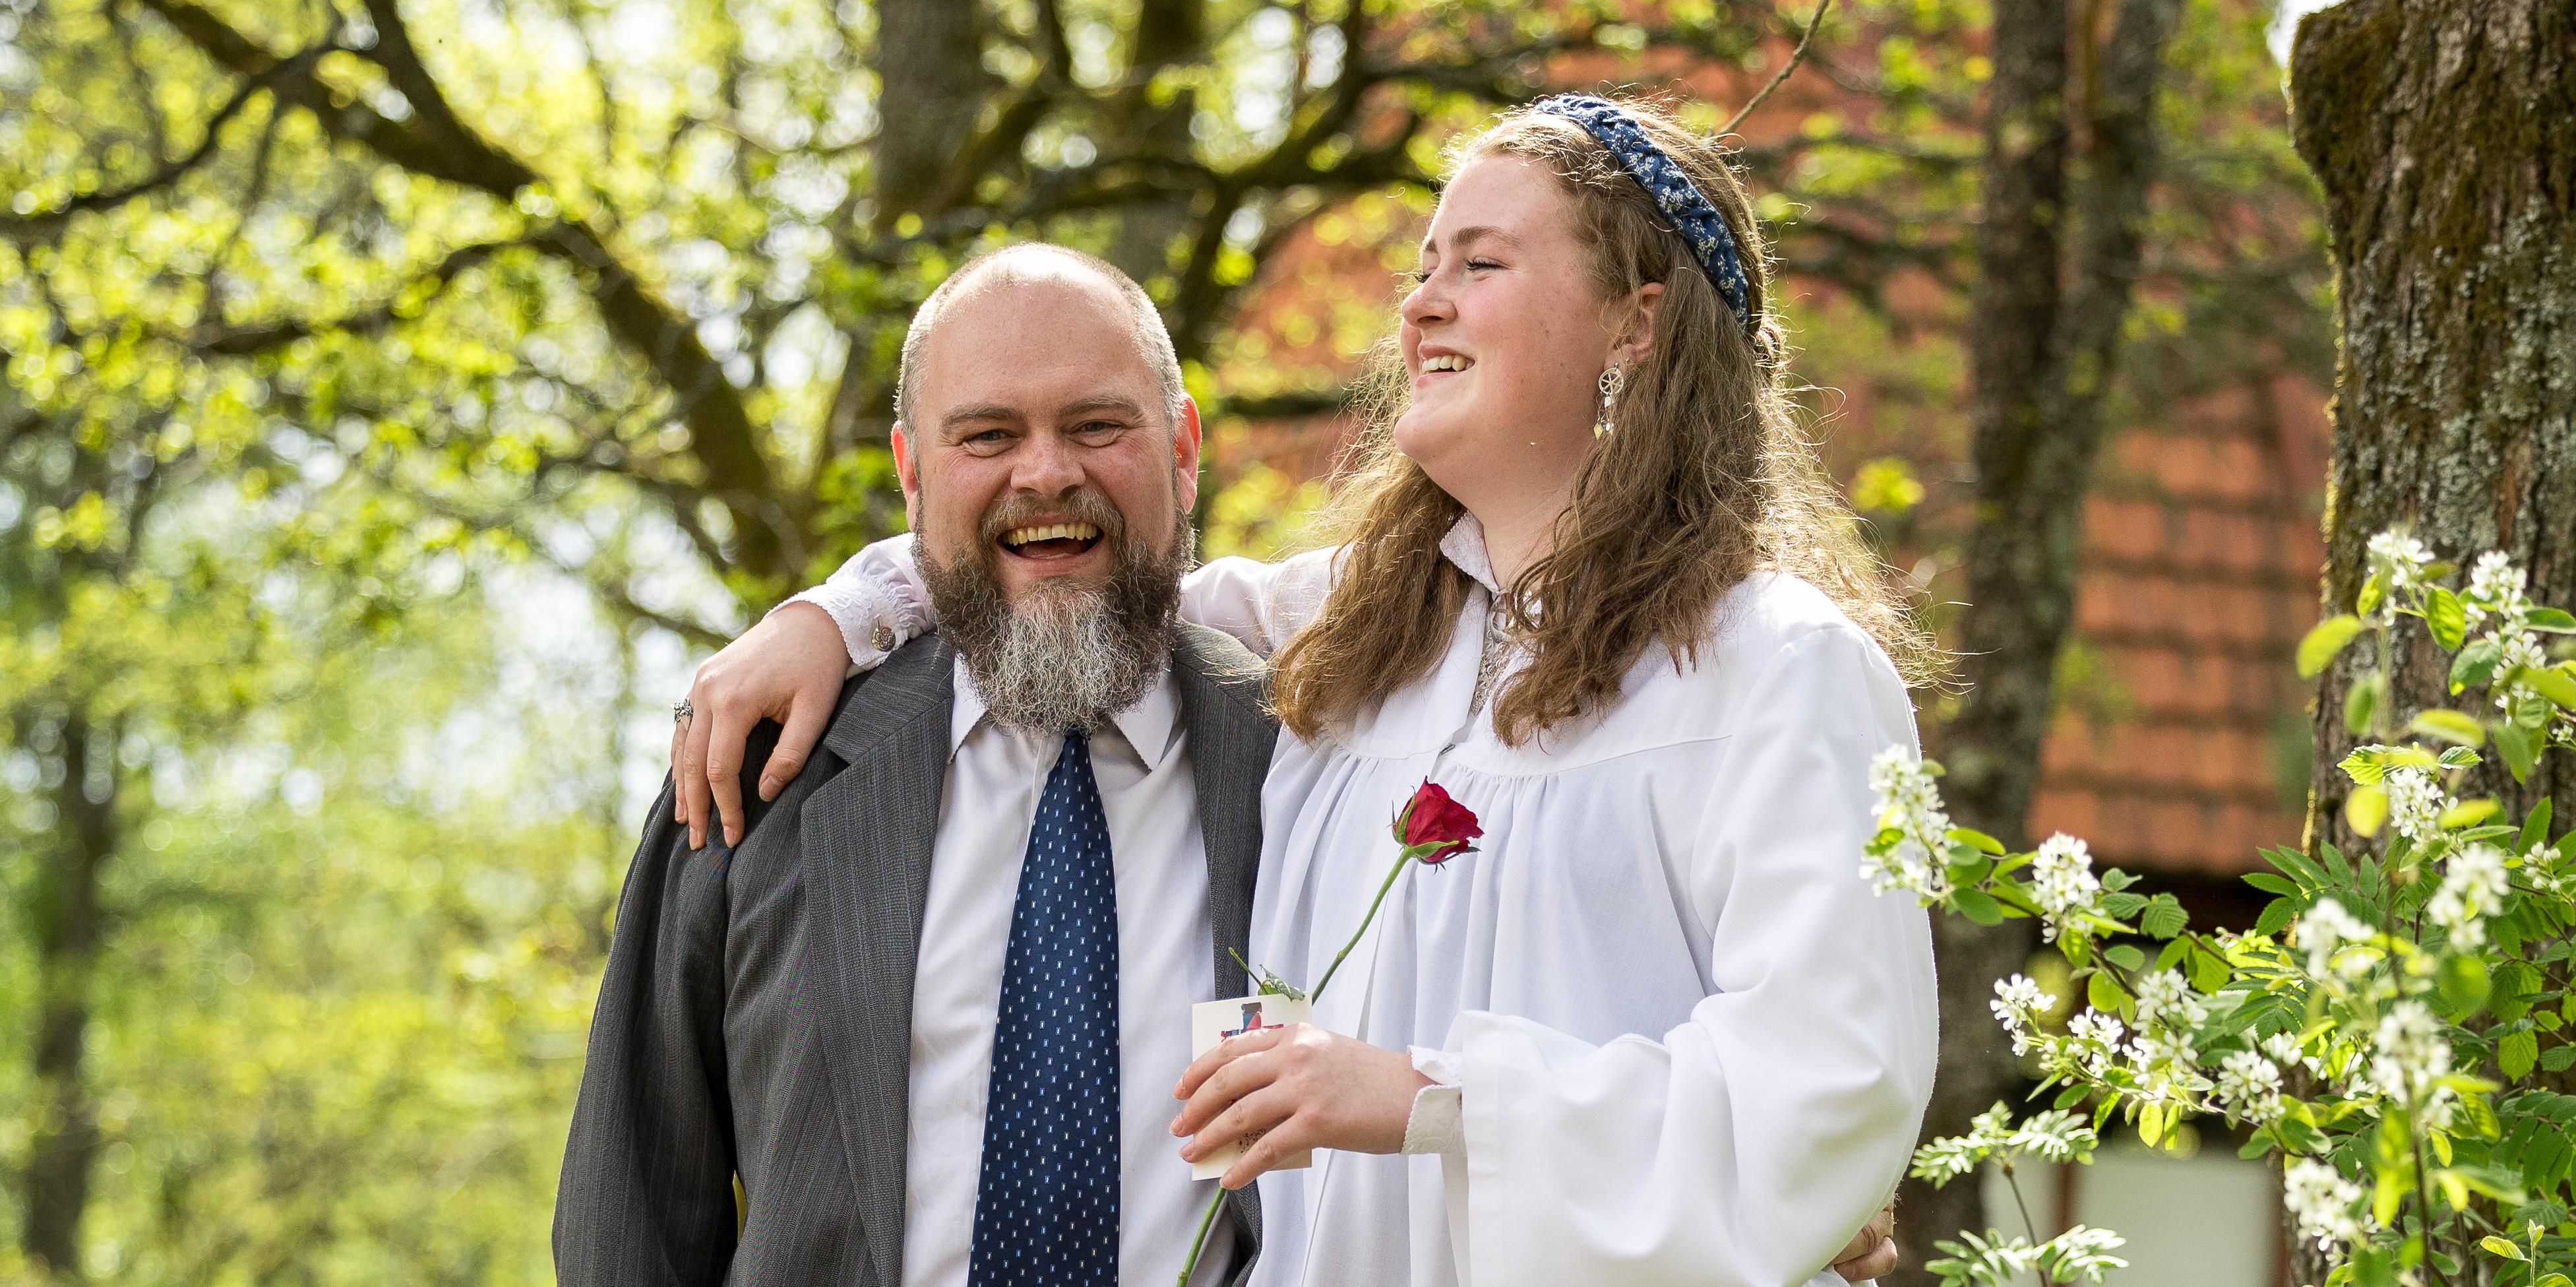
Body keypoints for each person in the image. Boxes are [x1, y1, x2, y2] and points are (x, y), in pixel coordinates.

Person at [673, 94, 1935, 1286]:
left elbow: (1826, 1094)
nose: (1423, 308)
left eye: (1480, 265)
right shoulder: (1360, 636)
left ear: (1637, 323)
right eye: (1423, 269)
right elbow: (1067, 561)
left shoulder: (1779, 671)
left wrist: (1427, 1098)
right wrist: (832, 612)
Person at [556, 247, 1281, 1287]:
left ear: (1183, 449)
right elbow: (627, 1222)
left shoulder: (1304, 764)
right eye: (988, 434)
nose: (1046, 472)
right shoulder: (754, 774)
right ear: (911, 472)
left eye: (1096, 425)